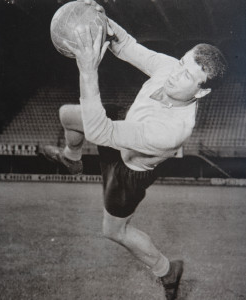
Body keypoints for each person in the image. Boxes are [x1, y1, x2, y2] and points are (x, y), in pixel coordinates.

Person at [40, 1, 227, 299]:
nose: (176, 75)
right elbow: (125, 45)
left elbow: (99, 131)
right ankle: (72, 159)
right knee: (67, 115)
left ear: (201, 91)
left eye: (189, 77)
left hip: (129, 173)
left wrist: (87, 72)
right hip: (123, 129)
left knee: (114, 231)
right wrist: (102, 20)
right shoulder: (169, 69)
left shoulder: (172, 130)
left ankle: (167, 270)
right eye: (182, 63)